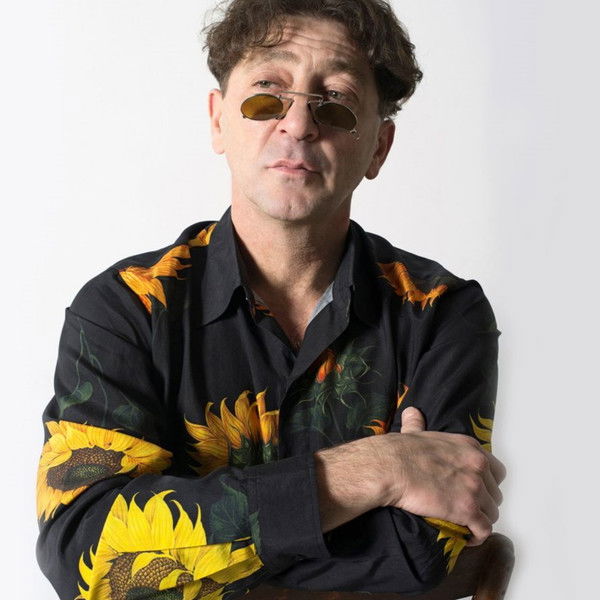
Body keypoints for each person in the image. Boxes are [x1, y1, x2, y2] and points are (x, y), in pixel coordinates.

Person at [36, 1, 506, 599]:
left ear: (379, 147)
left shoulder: (442, 314)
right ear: (218, 121)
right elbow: (83, 550)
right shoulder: (126, 309)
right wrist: (380, 468)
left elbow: (425, 552)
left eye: (335, 101)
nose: (298, 125)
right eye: (267, 95)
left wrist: (194, 557)